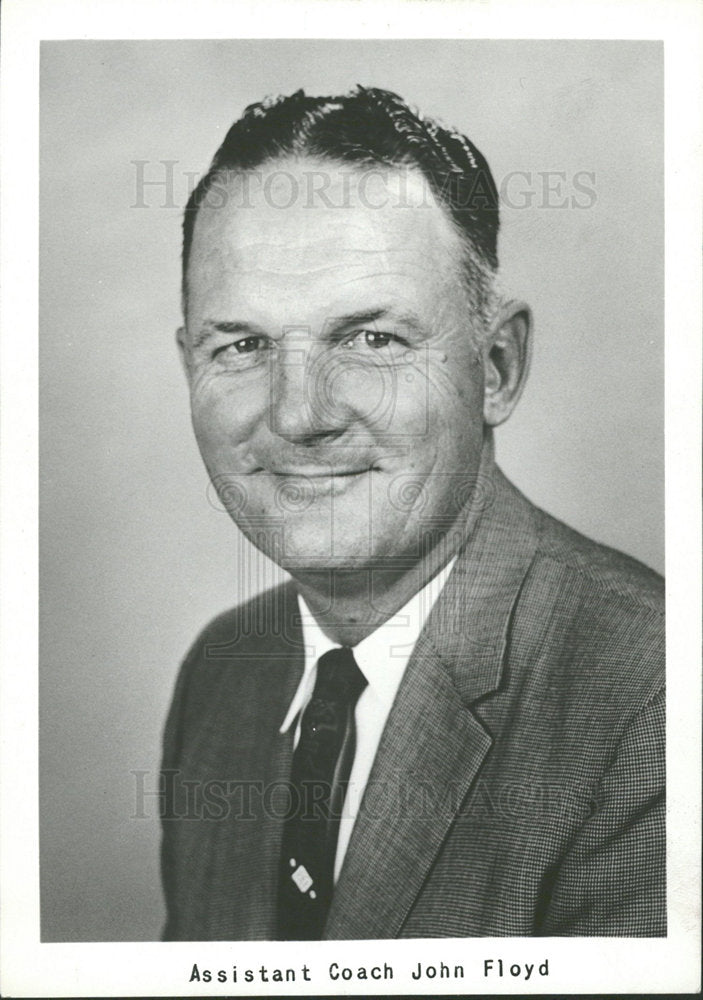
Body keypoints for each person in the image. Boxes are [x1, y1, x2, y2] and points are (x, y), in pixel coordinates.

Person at [160, 87, 665, 940]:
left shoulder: (652, 702)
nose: (298, 416)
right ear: (189, 368)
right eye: (241, 346)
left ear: (497, 366)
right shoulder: (222, 676)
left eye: (371, 340)